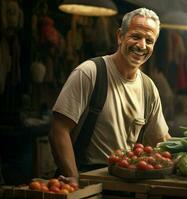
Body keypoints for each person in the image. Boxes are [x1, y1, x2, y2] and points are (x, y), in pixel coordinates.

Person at [48, 8, 171, 185]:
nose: (142, 45)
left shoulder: (148, 88)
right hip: (87, 180)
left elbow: (161, 141)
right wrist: (73, 178)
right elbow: (59, 130)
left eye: (149, 40)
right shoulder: (90, 73)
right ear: (120, 36)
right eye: (136, 36)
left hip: (126, 184)